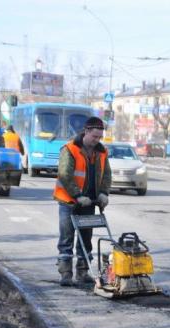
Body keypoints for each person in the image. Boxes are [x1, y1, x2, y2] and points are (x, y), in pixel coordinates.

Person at [53, 117, 112, 286]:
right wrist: (78, 195)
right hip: (69, 201)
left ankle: (83, 271)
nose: (97, 140)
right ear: (86, 132)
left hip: (89, 202)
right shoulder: (70, 149)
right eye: (94, 136)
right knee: (67, 237)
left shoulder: (101, 151)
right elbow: (65, 175)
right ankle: (65, 273)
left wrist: (103, 193)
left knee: (86, 238)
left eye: (100, 137)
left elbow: (106, 175)